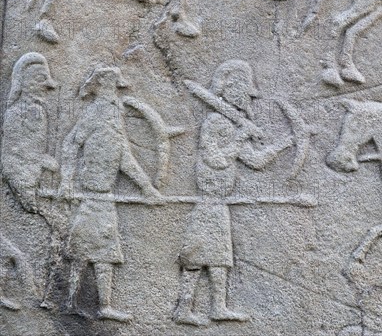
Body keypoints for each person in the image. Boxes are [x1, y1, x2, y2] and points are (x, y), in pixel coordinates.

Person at [174, 60, 293, 326]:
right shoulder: (215, 122)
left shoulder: (231, 124)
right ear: (230, 90)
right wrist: (242, 135)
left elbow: (254, 161)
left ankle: (218, 307)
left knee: (219, 259)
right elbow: (216, 159)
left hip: (221, 203)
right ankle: (183, 309)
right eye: (243, 92)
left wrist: (286, 143)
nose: (246, 98)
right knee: (195, 257)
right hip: (208, 200)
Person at [59, 67, 161, 322]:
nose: (117, 94)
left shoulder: (113, 113)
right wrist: (66, 182)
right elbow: (71, 143)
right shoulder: (97, 111)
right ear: (104, 86)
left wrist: (145, 186)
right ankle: (72, 301)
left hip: (104, 194)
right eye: (115, 87)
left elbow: (122, 156)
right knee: (84, 250)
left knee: (104, 251)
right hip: (94, 193)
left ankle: (102, 306)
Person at [1, 52, 63, 309]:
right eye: (38, 79)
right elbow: (13, 153)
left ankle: (44, 293)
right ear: (24, 82)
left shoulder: (38, 110)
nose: (43, 85)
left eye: (44, 80)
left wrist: (42, 160)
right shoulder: (20, 112)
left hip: (32, 183)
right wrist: (38, 164)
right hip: (21, 185)